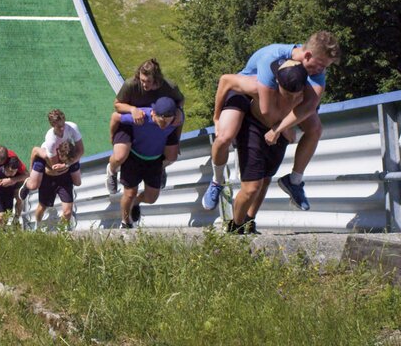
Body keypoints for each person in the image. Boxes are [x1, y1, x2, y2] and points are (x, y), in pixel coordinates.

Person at [202, 31, 341, 212]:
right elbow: (266, 110)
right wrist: (217, 117)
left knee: (315, 129)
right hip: (247, 91)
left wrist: (281, 127)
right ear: (307, 55)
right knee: (224, 136)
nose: (321, 71)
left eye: (325, 67)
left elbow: (309, 106)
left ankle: (294, 181)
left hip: (282, 95)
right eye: (321, 65)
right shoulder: (271, 59)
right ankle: (217, 180)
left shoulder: (316, 68)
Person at [226, 60, 309, 234]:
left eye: (297, 95)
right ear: (278, 83)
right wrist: (217, 117)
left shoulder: (308, 91)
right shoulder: (259, 85)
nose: (293, 99)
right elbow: (226, 80)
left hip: (280, 133)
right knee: (251, 187)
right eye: (288, 95)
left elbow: (307, 116)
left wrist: (281, 128)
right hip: (253, 128)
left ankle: (249, 221)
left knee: (265, 180)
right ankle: (235, 227)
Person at [106, 59, 184, 195]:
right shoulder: (131, 84)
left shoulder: (169, 86)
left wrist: (178, 109)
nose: (144, 84)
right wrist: (132, 109)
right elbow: (117, 105)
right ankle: (111, 171)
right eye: (142, 80)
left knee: (172, 156)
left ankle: (160, 168)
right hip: (133, 121)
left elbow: (181, 100)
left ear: (157, 79)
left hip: (160, 121)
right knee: (120, 156)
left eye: (148, 81)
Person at [117, 97, 183, 228]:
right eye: (161, 121)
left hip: (155, 160)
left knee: (151, 198)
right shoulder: (143, 117)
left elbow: (180, 118)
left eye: (168, 122)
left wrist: (177, 140)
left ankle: (136, 202)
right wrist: (113, 138)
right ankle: (125, 222)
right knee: (130, 193)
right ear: (154, 113)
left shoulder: (176, 119)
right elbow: (115, 117)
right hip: (134, 157)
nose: (164, 125)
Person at [19, 109, 84, 201]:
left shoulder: (72, 127)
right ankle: (27, 183)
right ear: (52, 125)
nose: (62, 128)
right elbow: (55, 166)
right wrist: (62, 166)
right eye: (59, 127)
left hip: (65, 154)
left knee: (77, 182)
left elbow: (81, 150)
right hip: (49, 155)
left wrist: (67, 164)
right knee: (34, 185)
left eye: (63, 124)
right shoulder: (51, 139)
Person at [30, 141, 82, 229]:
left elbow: (78, 182)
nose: (64, 162)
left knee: (67, 212)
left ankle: (61, 230)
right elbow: (34, 150)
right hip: (48, 180)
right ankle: (37, 226)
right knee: (42, 207)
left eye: (67, 161)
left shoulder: (72, 158)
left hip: (64, 181)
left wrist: (69, 166)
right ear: (58, 153)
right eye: (63, 160)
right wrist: (31, 171)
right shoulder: (47, 153)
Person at [0, 158, 26, 227]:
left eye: (15, 171)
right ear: (5, 167)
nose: (12, 173)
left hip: (8, 196)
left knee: (6, 218)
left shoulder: (17, 175)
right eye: (10, 171)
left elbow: (27, 176)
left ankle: (15, 221)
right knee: (0, 217)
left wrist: (12, 180)